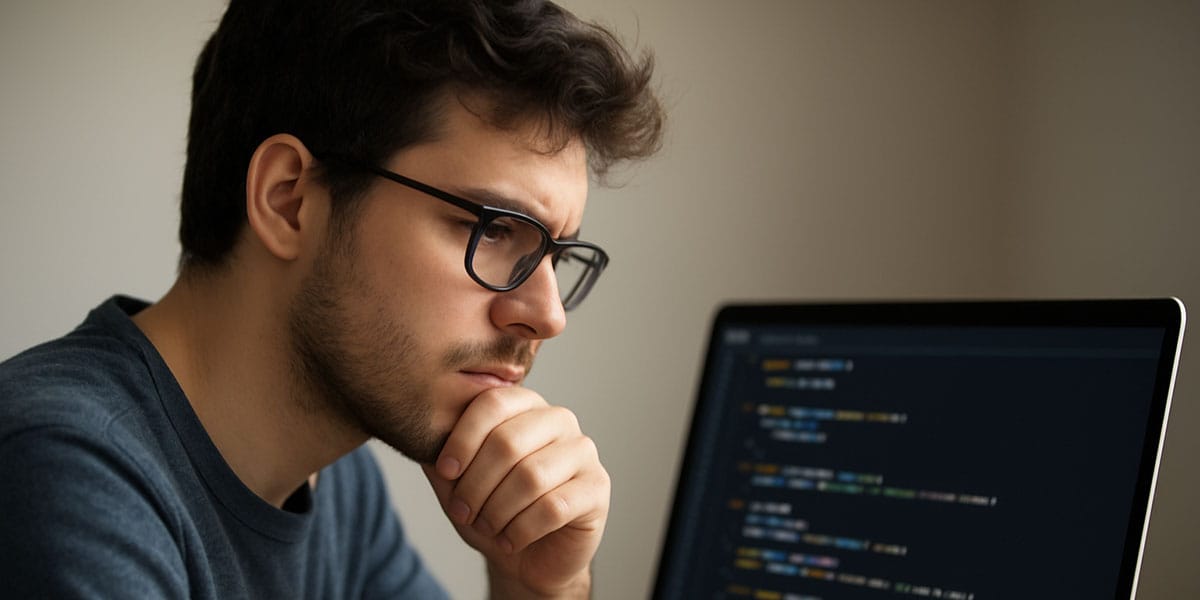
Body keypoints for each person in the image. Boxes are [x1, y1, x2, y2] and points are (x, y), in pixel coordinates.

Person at [0, 0, 664, 597]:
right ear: (288, 200)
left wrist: (539, 583)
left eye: (554, 253)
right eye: (492, 230)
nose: (546, 315)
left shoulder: (333, 480)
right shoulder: (65, 475)